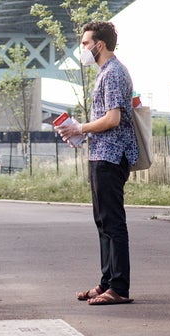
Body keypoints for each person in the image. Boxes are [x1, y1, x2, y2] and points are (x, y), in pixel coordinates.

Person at [56, 20, 138, 305]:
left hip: (111, 156)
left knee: (113, 222)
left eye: (85, 43)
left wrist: (81, 128)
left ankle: (119, 287)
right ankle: (106, 282)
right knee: (103, 222)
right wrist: (80, 134)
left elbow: (113, 119)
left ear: (99, 45)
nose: (83, 49)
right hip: (101, 154)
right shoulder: (105, 73)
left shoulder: (113, 73)